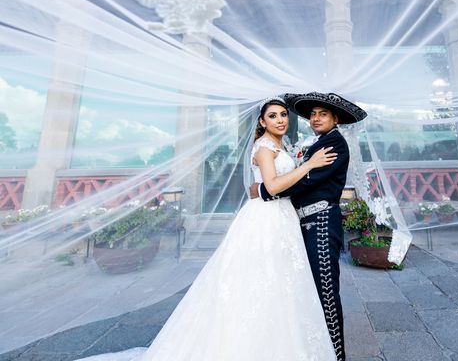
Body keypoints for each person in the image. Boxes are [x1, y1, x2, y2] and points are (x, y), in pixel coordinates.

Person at [75, 97, 339, 361]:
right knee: (258, 279)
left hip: (284, 219)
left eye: (283, 114)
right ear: (261, 121)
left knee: (284, 282)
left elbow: (278, 185)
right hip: (265, 219)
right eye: (272, 116)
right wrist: (308, 165)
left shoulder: (284, 146)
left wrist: (273, 182)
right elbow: (272, 186)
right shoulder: (264, 147)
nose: (280, 119)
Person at [254, 92, 367, 361]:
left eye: (323, 114)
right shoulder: (315, 143)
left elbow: (306, 182)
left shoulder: (334, 145)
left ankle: (337, 355)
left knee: (325, 291)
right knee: (306, 291)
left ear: (335, 119)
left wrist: (264, 190)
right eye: (313, 114)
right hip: (301, 224)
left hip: (321, 223)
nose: (316, 118)